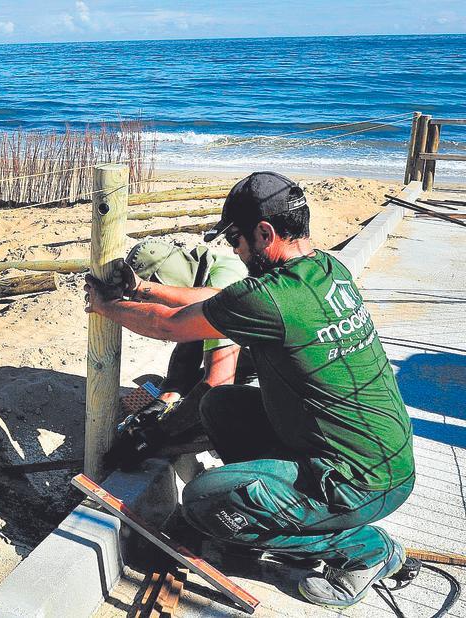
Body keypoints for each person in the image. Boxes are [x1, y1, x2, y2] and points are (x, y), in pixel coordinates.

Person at [84, 171, 415, 609]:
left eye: (237, 238)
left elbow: (168, 326)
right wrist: (142, 288)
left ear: (265, 232)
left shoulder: (271, 298)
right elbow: (212, 300)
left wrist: (107, 307)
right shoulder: (325, 270)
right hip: (378, 456)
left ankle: (366, 550)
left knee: (203, 502)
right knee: (222, 406)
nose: (235, 249)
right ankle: (265, 512)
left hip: (357, 483)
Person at [123, 239, 250, 440]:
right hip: (254, 357)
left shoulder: (224, 285)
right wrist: (170, 390)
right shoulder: (216, 267)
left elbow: (215, 384)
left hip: (285, 385)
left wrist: (158, 433)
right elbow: (192, 339)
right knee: (182, 392)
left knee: (208, 412)